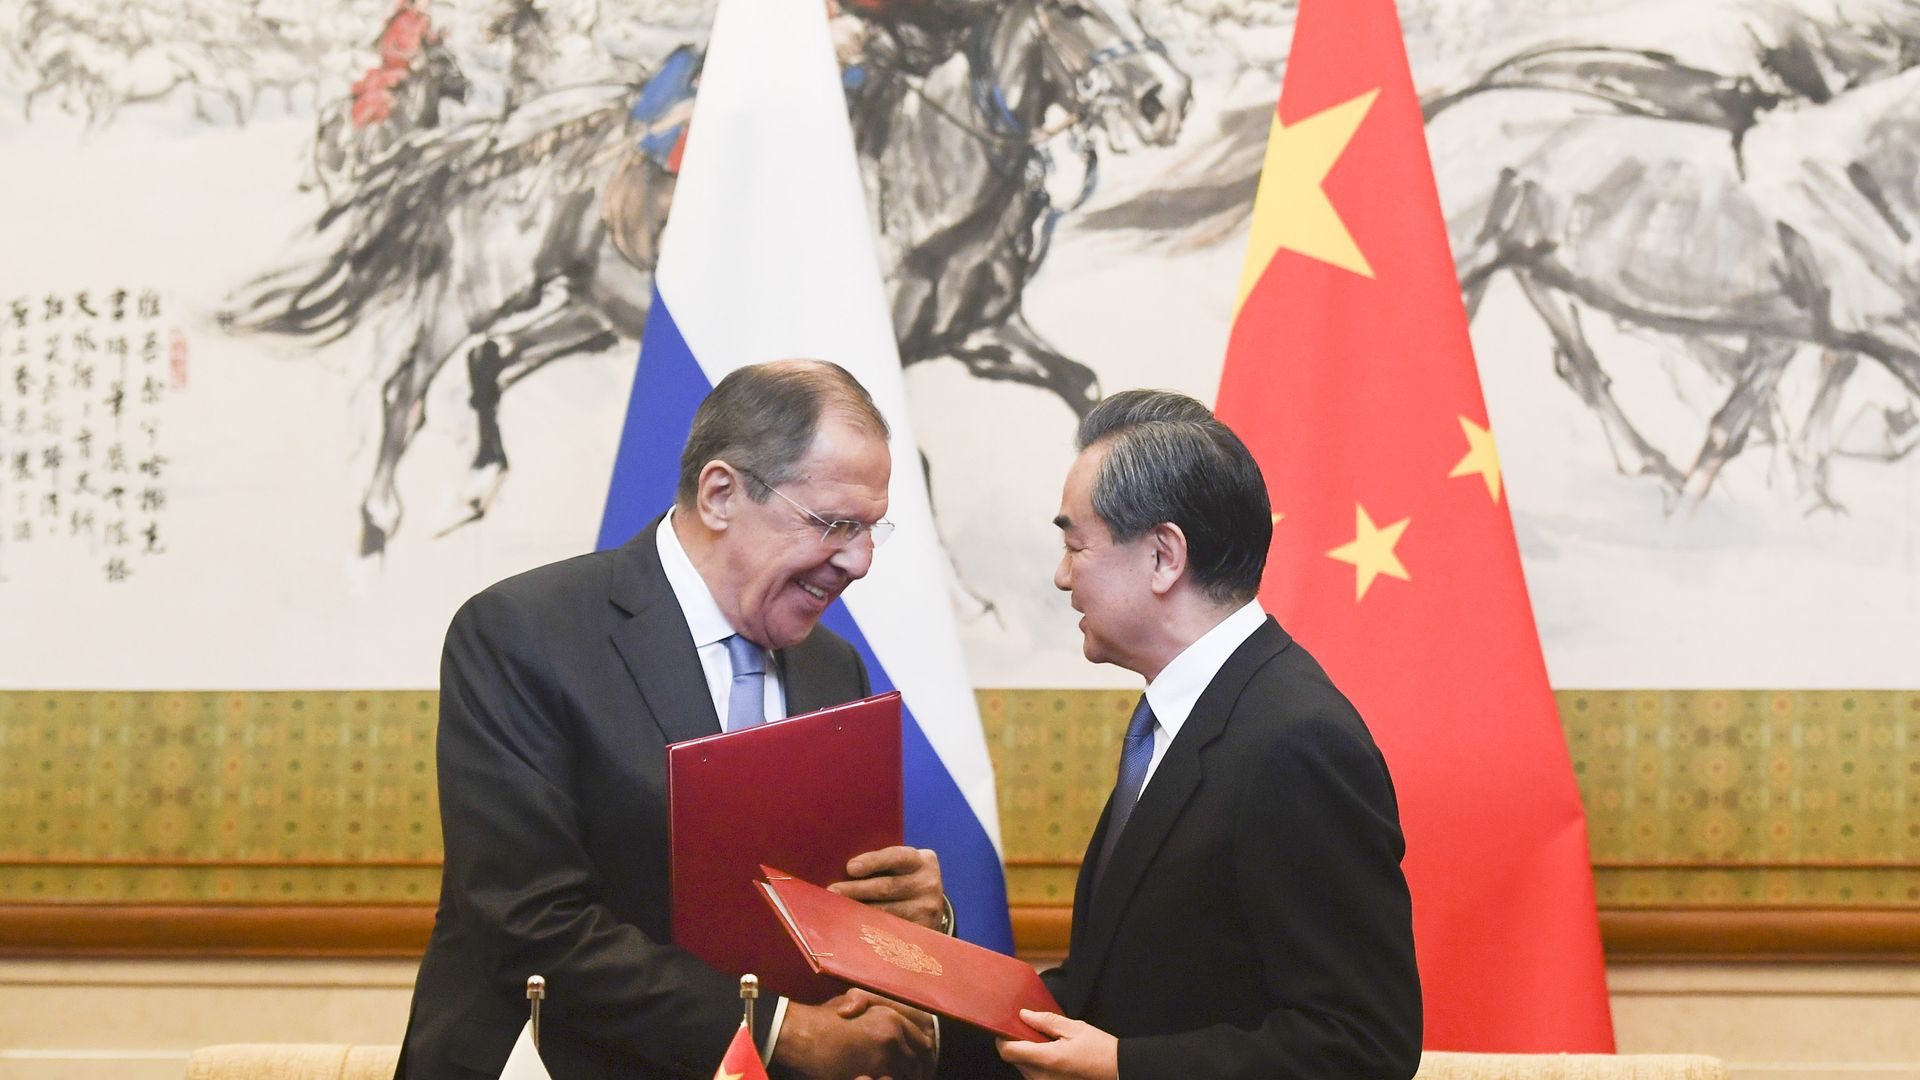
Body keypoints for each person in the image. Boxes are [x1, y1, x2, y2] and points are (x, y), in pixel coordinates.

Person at [396, 359, 945, 1080]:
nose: (860, 560)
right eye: (836, 523)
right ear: (720, 494)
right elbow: (527, 919)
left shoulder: (831, 668)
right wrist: (779, 1032)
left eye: (872, 529)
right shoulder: (523, 633)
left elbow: (814, 903)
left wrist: (913, 914)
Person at [996, 389, 1422, 1080]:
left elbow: (1362, 1047)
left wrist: (1125, 1066)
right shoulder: (1181, 717)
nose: (1061, 575)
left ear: (1165, 556)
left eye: (1075, 544)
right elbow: (1112, 986)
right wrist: (925, 1026)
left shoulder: (1295, 741)